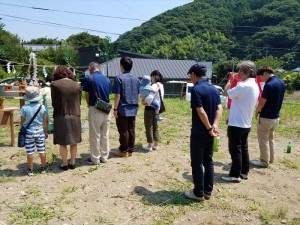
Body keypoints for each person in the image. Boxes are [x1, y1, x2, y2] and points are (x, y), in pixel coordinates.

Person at [184, 63, 223, 201]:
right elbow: (219, 108)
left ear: (194, 74)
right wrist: (214, 126)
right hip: (210, 132)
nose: (190, 78)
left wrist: (208, 127)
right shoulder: (213, 88)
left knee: (197, 162)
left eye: (190, 75)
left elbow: (200, 110)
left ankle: (198, 193)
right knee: (209, 161)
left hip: (200, 132)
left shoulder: (196, 89)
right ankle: (207, 191)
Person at [221, 60, 259, 182]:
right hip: (246, 122)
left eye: (240, 71)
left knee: (235, 149)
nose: (238, 73)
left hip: (237, 123)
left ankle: (234, 174)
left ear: (247, 72)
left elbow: (226, 93)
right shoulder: (254, 85)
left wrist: (230, 81)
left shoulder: (243, 86)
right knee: (243, 148)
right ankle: (244, 171)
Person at [251, 66, 286, 168]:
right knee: (270, 139)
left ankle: (264, 161)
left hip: (266, 117)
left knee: (263, 140)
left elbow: (262, 102)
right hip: (275, 117)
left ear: (265, 73)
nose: (261, 79)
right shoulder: (281, 83)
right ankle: (271, 159)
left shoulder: (269, 85)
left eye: (261, 77)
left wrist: (256, 112)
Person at [51, 66, 82, 170]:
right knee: (74, 141)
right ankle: (72, 162)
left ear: (57, 73)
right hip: (75, 115)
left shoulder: (54, 84)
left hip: (61, 115)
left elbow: (54, 102)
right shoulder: (77, 85)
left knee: (62, 142)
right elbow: (79, 101)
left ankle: (64, 164)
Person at [83, 62, 111, 164]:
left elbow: (86, 94)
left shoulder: (88, 78)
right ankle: (104, 157)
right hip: (106, 110)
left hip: (95, 108)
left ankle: (95, 158)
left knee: (95, 134)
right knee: (105, 134)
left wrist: (88, 105)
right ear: (99, 68)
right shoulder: (107, 79)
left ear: (90, 68)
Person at [112, 56, 140, 157]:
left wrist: (115, 109)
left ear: (122, 66)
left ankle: (124, 151)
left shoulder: (119, 78)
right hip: (133, 107)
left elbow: (117, 95)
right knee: (131, 129)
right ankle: (131, 150)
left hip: (123, 108)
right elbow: (138, 95)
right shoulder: (136, 79)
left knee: (123, 130)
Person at [20, 86, 48, 176]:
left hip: (28, 132)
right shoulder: (42, 107)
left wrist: (22, 128)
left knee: (30, 151)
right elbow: (45, 121)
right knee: (41, 150)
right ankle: (43, 167)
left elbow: (22, 120)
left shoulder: (24, 108)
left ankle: (30, 169)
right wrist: (46, 131)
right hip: (40, 130)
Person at [142, 70, 164, 151]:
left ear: (154, 76)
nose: (151, 79)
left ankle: (149, 145)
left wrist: (144, 102)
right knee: (155, 127)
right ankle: (155, 144)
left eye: (151, 77)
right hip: (156, 109)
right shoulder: (161, 85)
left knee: (149, 127)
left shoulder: (154, 85)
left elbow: (150, 97)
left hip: (149, 109)